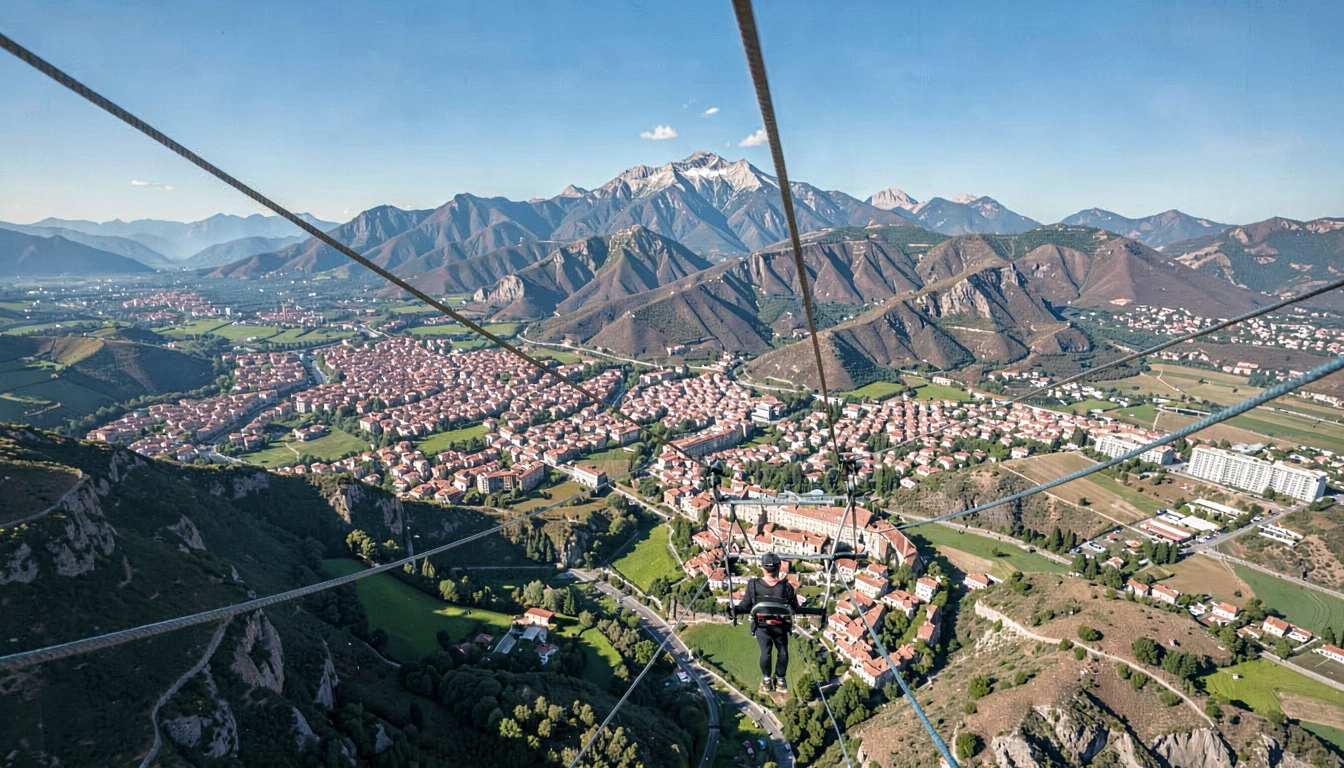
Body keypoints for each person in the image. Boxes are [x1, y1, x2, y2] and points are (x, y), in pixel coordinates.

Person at [734, 552, 824, 694]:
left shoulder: (753, 585)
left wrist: (734, 610)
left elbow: (745, 606)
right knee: (782, 652)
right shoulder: (787, 587)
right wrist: (819, 611)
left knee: (766, 652)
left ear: (762, 568)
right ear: (779, 568)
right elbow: (796, 609)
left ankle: (767, 680)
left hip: (761, 626)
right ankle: (781, 680)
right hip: (780, 626)